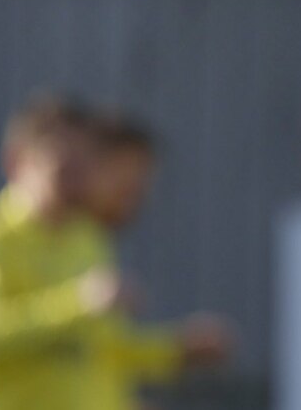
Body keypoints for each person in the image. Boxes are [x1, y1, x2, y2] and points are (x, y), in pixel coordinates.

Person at [0, 93, 132, 410]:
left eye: (85, 164)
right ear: (17, 161)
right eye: (66, 164)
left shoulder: (89, 240)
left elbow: (97, 350)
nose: (78, 178)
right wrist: (77, 303)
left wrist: (174, 351)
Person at [81, 111, 232, 410]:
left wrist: (178, 350)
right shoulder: (56, 241)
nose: (136, 197)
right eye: (127, 185)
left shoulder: (92, 242)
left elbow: (101, 355)